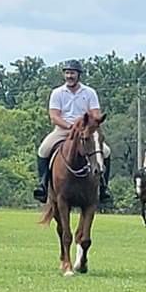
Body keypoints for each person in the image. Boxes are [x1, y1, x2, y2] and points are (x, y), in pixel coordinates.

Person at [34, 60, 102, 202]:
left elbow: (96, 113)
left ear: (79, 75)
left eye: (72, 73)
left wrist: (87, 125)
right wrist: (70, 127)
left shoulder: (89, 93)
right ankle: (43, 185)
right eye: (67, 73)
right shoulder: (57, 93)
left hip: (84, 131)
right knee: (43, 149)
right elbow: (54, 116)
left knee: (105, 151)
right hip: (63, 130)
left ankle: (103, 187)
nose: (69, 76)